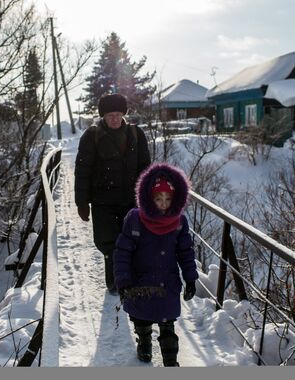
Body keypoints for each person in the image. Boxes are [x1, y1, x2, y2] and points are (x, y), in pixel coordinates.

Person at [113, 162, 198, 367]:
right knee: (141, 320)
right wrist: (123, 281)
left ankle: (171, 362)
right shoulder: (135, 219)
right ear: (150, 198)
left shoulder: (179, 222)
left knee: (168, 325)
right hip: (139, 280)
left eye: (168, 199)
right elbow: (122, 251)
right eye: (158, 199)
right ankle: (143, 342)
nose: (163, 204)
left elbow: (185, 252)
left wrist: (191, 278)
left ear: (175, 199)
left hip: (167, 282)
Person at [74, 93, 151, 294]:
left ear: (123, 114)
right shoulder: (92, 136)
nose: (115, 118)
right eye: (110, 115)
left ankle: (131, 279)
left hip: (131, 201)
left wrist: (149, 198)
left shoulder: (136, 134)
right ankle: (115, 283)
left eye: (118, 114)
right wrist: (81, 202)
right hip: (103, 202)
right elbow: (82, 170)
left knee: (133, 241)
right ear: (103, 116)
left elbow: (145, 169)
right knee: (109, 243)